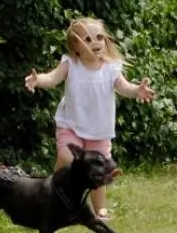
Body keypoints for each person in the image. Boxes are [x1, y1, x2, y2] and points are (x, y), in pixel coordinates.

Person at [24, 17, 155, 218]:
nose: (95, 42)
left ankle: (100, 208)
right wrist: (37, 80)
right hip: (71, 124)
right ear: (76, 46)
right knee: (67, 157)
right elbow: (51, 78)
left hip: (99, 132)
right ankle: (53, 186)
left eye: (99, 37)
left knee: (99, 171)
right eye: (88, 39)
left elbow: (124, 87)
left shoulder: (111, 68)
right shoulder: (70, 64)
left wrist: (137, 90)